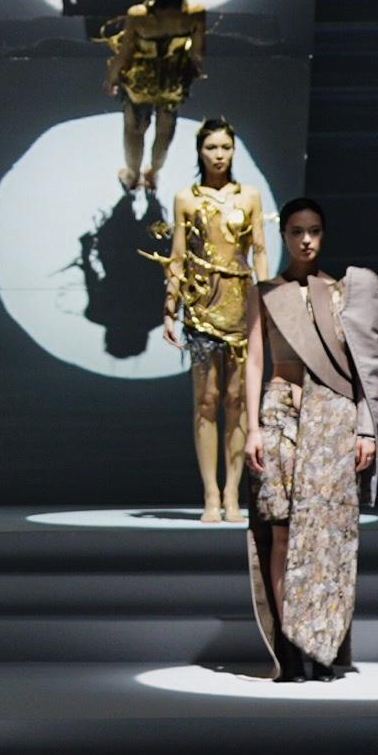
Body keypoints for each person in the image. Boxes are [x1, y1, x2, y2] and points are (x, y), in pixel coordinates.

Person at [246, 199, 378, 678]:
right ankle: (290, 646)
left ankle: (321, 643)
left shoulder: (342, 292)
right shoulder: (266, 292)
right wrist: (252, 427)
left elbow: (364, 367)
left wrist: (366, 427)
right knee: (281, 530)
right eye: (297, 231)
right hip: (281, 411)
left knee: (325, 534)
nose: (306, 240)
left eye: (315, 230)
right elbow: (255, 360)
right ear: (284, 235)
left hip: (332, 417)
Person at [164, 118, 265, 522]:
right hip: (202, 304)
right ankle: (210, 493)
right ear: (200, 151)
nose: (219, 155)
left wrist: (268, 300)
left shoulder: (249, 196)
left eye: (225, 147)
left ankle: (232, 494)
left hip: (241, 303)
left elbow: (259, 250)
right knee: (206, 400)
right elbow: (177, 255)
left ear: (234, 150)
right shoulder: (186, 198)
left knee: (237, 400)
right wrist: (170, 307)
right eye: (211, 148)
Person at [103, 0, 210, 191]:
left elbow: (125, 53)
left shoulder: (139, 15)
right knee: (165, 130)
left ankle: (133, 176)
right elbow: (198, 53)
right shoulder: (195, 13)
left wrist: (112, 77)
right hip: (173, 80)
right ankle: (153, 174)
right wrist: (191, 72)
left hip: (140, 81)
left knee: (134, 130)